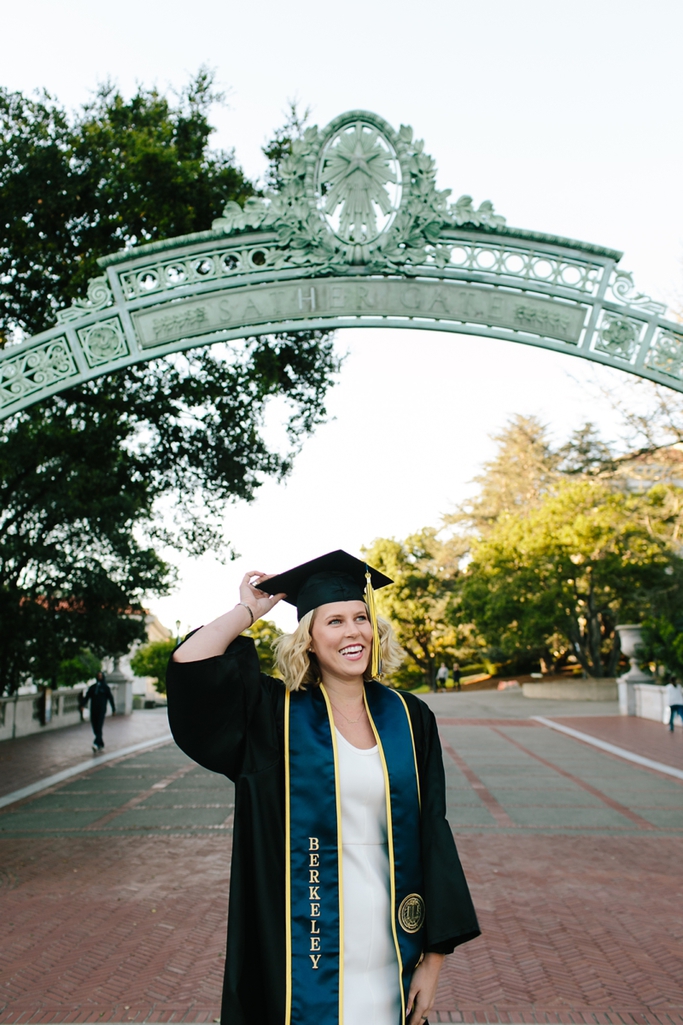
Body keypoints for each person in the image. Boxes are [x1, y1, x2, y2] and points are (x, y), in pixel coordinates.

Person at [167, 550, 479, 1025]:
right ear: (309, 639)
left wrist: (433, 963)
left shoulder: (409, 717)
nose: (353, 631)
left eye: (361, 618)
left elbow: (433, 832)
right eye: (334, 621)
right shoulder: (275, 716)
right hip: (304, 942)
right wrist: (249, 610)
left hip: (391, 942)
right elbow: (192, 663)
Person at [82, 670, 116, 751]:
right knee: (95, 727)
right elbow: (87, 697)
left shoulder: (105, 688)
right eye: (98, 676)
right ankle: (101, 743)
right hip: (93, 709)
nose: (99, 677)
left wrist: (113, 709)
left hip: (101, 710)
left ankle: (96, 743)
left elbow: (110, 698)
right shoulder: (93, 687)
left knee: (99, 726)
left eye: (100, 676)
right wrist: (82, 705)